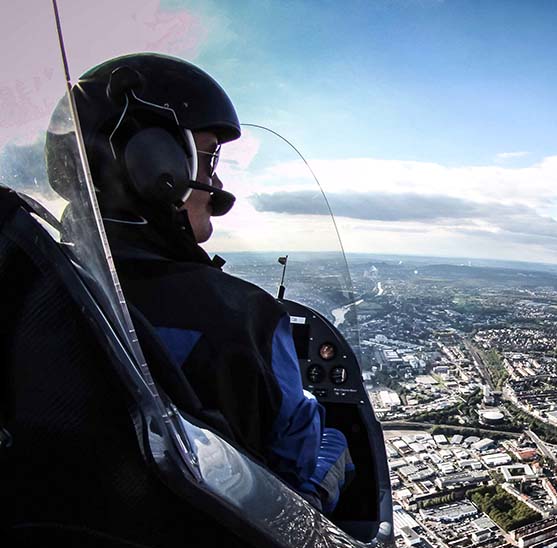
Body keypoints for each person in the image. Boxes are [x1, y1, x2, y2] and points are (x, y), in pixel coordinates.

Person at [46, 53, 350, 513]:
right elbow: (296, 474)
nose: (218, 182)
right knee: (337, 443)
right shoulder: (245, 320)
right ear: (156, 167)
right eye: (209, 159)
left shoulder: (37, 287)